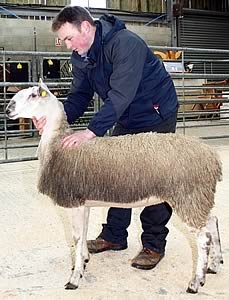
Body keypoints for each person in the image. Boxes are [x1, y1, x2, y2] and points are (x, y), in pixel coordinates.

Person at [33, 6, 178, 270]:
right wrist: (55, 119)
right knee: (116, 175)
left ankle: (154, 244)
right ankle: (114, 236)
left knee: (155, 178)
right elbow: (79, 96)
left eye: (68, 38)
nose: (67, 46)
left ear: (85, 28)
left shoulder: (126, 44)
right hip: (125, 116)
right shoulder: (82, 56)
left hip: (155, 112)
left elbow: (120, 94)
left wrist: (91, 132)